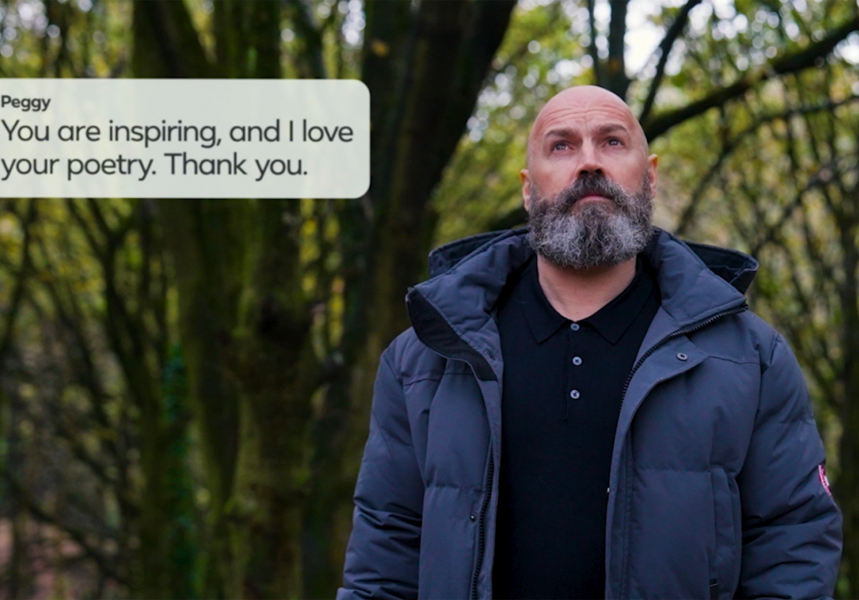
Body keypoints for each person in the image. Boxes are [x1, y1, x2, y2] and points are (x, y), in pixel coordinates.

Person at [337, 85, 842, 600]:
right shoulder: (425, 358)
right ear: (528, 189)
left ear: (649, 178)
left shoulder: (750, 358)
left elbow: (793, 543)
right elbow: (385, 553)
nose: (589, 163)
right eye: (561, 146)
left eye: (612, 142)